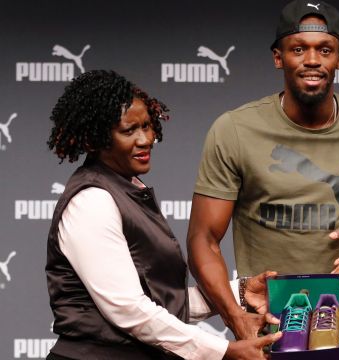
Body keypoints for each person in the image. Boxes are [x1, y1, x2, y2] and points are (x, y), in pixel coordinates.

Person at [187, 1, 339, 358]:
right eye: (298, 49)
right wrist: (235, 317)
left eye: (324, 50)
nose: (311, 60)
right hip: (268, 330)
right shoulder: (235, 130)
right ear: (279, 58)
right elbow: (203, 237)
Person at [45, 70, 281, 360]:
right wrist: (223, 351)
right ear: (94, 140)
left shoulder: (128, 188)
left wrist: (240, 292)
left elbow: (162, 304)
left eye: (147, 126)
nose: (145, 139)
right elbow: (129, 310)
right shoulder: (92, 199)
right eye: (128, 131)